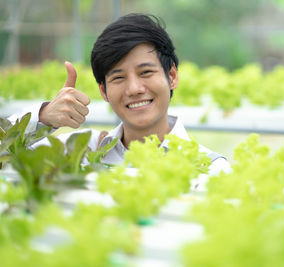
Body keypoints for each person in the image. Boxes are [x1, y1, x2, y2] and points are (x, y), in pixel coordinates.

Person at [8, 13, 230, 186]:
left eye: (146, 73)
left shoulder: (210, 167)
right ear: (103, 91)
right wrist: (43, 117)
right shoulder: (79, 151)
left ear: (171, 77)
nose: (134, 89)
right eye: (119, 77)